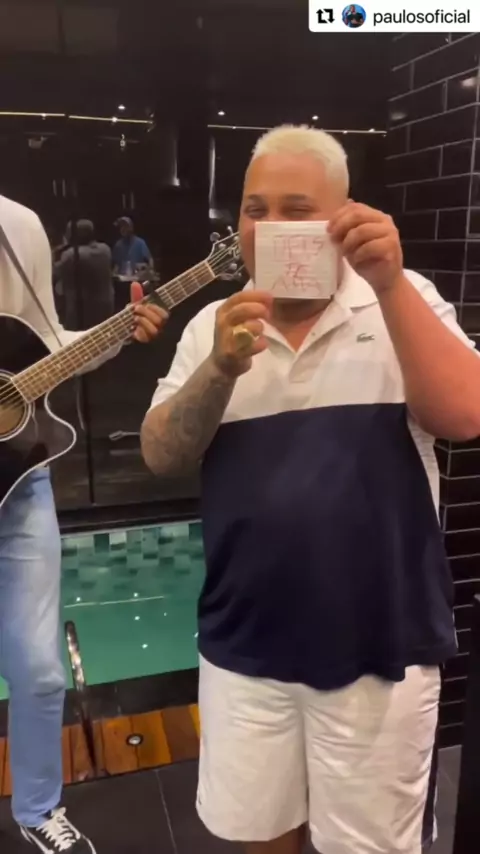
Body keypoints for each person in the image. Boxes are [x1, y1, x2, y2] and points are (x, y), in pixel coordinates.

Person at [141, 125, 480, 854]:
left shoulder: (401, 300)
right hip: (245, 647)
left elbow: (465, 415)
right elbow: (162, 454)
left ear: (344, 217)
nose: (269, 226)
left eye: (296, 209)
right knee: (262, 836)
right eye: (254, 208)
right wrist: (219, 370)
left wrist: (389, 282)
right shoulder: (211, 329)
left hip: (380, 651)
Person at [0, 193, 166, 854]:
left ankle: (38, 806)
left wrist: (119, 331)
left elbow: (47, 351)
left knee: (42, 671)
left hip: (17, 483)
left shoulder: (16, 227)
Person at [53, 219, 114, 330]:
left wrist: (56, 252)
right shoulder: (105, 249)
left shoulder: (71, 255)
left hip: (81, 314)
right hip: (105, 309)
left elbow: (53, 273)